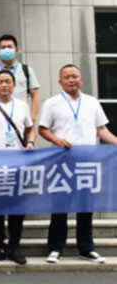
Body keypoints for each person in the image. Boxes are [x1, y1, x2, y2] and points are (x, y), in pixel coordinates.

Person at [38, 64, 117, 264]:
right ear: (60, 81)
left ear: (81, 79)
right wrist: (57, 140)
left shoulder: (92, 102)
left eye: (74, 76)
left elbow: (101, 129)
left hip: (87, 162)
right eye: (67, 77)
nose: (71, 80)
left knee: (86, 206)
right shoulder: (52, 103)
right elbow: (43, 129)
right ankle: (55, 248)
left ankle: (86, 248)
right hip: (62, 160)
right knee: (60, 206)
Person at [0, 70, 35, 265]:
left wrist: (30, 142)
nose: (4, 85)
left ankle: (14, 246)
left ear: (14, 85)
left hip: (18, 164)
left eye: (8, 82)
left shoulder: (22, 106)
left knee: (17, 207)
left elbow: (30, 129)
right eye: (0, 82)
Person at [0, 34, 40, 122]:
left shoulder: (26, 70)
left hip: (21, 117)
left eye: (9, 47)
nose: (6, 49)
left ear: (16, 50)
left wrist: (32, 118)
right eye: (3, 47)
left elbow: (35, 95)